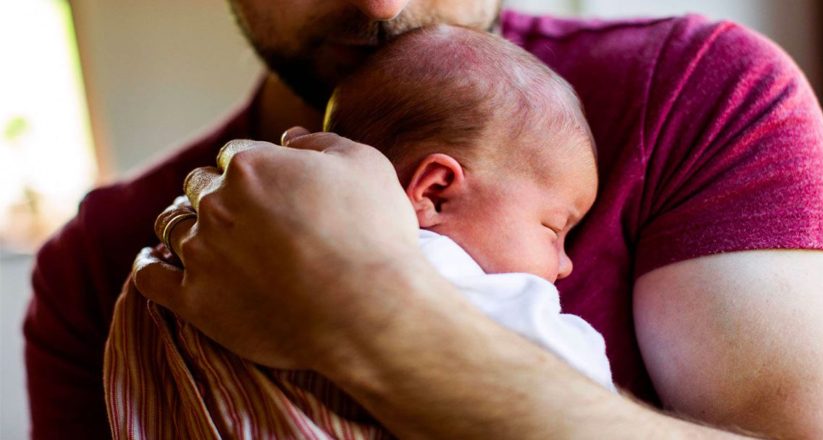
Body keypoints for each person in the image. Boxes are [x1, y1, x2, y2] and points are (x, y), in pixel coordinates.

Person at [24, 1, 823, 439]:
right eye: (558, 231)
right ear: (435, 189)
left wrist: (368, 312)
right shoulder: (98, 259)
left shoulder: (700, 92)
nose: (381, 5)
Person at [104, 26, 613, 439]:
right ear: (435, 192)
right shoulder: (467, 283)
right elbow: (582, 395)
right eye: (554, 228)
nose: (566, 263)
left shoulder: (193, 242)